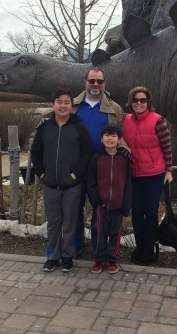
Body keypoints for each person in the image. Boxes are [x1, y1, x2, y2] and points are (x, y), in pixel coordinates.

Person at [31, 88, 93, 273]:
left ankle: (67, 256)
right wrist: (42, 174)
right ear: (53, 104)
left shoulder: (78, 127)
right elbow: (35, 152)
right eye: (59, 101)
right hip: (50, 184)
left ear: (71, 105)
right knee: (54, 222)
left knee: (70, 222)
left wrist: (75, 175)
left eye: (67, 102)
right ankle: (53, 257)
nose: (63, 105)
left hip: (72, 185)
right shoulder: (44, 127)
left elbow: (87, 153)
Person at [72, 67, 125, 254]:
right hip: (77, 164)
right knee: (74, 207)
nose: (95, 85)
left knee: (99, 209)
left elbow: (121, 136)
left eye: (99, 81)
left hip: (102, 166)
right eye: (92, 81)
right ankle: (75, 246)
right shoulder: (73, 106)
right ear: (85, 82)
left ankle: (98, 248)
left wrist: (124, 152)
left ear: (104, 84)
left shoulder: (115, 108)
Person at [122, 86, 173, 266]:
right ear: (131, 102)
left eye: (143, 100)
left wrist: (169, 170)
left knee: (150, 213)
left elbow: (166, 146)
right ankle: (140, 245)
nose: (139, 103)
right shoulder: (126, 120)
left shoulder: (157, 121)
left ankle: (148, 249)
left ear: (148, 102)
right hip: (134, 173)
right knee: (136, 212)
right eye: (136, 100)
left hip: (153, 173)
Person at [86, 124, 132, 274]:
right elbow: (91, 181)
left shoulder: (124, 160)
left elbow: (128, 183)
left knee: (115, 233)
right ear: (101, 138)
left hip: (118, 205)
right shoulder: (96, 158)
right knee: (99, 232)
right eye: (107, 135)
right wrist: (96, 200)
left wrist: (126, 204)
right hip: (101, 205)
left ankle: (112, 260)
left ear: (119, 140)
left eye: (113, 136)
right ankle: (99, 260)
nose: (110, 138)